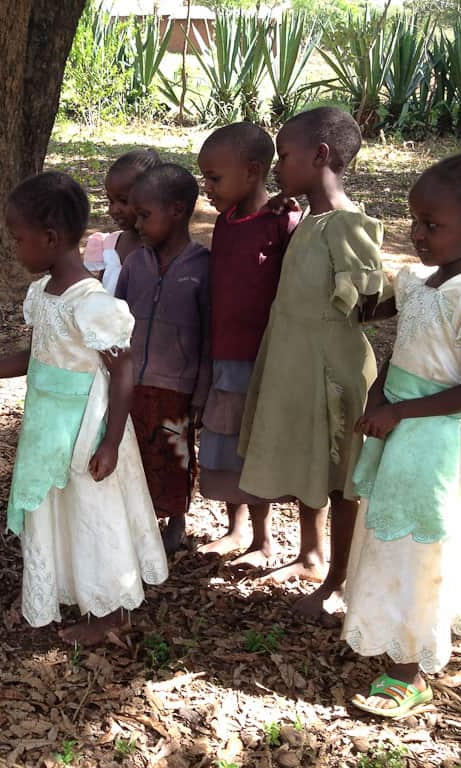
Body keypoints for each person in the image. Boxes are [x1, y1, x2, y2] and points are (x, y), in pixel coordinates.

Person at [342, 153, 461, 718]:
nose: (418, 235)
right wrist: (378, 395)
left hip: (438, 440)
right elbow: (403, 344)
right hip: (402, 427)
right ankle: (387, 633)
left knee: (422, 544)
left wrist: (400, 412)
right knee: (389, 535)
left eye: (433, 225)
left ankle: (409, 670)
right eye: (414, 221)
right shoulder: (421, 282)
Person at [0, 171, 168, 646]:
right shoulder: (44, 294)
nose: (14, 248)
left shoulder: (91, 303)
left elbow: (124, 369)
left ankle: (110, 612)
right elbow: (38, 356)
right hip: (48, 426)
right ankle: (77, 588)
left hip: (86, 429)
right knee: (63, 510)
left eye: (18, 239)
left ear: (50, 238)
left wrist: (111, 441)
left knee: (94, 513)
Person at [236, 107, 386, 618]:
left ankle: (339, 580)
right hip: (296, 361)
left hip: (332, 370)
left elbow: (368, 302)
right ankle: (311, 555)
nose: (278, 167)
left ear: (320, 156)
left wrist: (405, 295)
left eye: (285, 157)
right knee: (312, 460)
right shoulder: (312, 219)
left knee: (340, 474)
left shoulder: (346, 224)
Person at [195, 122, 301, 569]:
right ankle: (234, 527)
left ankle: (263, 539)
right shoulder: (225, 222)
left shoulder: (283, 221)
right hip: (224, 353)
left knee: (251, 445)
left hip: (261, 358)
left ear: (254, 172)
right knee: (222, 439)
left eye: (215, 179)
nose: (207, 188)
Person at [115, 163, 211, 553]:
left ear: (177, 211)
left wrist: (202, 389)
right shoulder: (135, 263)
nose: (136, 224)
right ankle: (133, 518)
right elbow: (116, 319)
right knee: (133, 452)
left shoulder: (203, 267)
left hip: (177, 386)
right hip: (130, 381)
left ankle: (175, 521)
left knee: (174, 453)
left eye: (144, 215)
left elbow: (208, 336)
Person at [83, 149, 161, 293]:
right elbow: (101, 294)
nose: (114, 210)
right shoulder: (108, 245)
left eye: (123, 201)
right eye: (111, 201)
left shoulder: (162, 250)